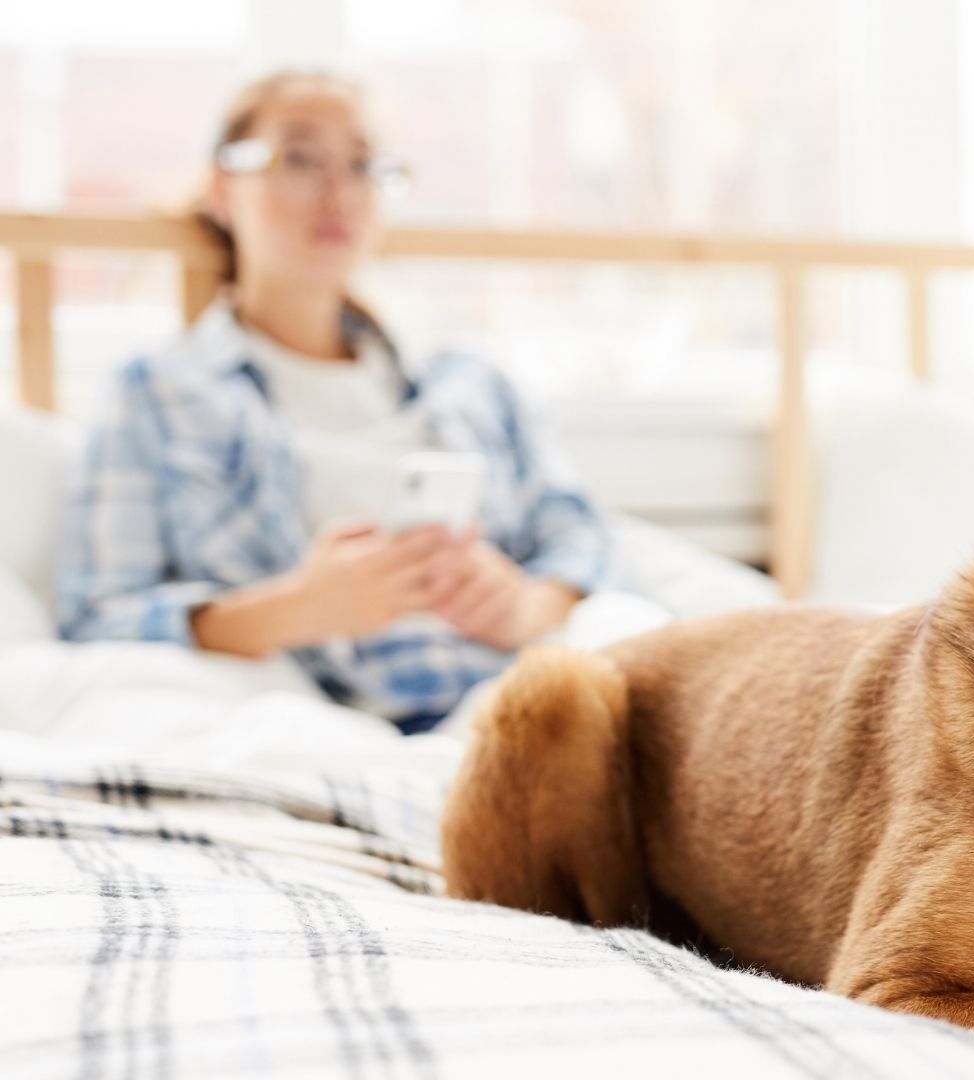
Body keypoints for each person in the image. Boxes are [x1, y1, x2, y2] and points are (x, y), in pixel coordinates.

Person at [55, 71, 614, 733]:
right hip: (306, 728)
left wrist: (527, 606)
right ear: (221, 189)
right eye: (298, 158)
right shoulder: (157, 392)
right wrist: (298, 608)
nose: (339, 192)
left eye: (364, 165)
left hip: (510, 708)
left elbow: (582, 539)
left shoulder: (470, 381)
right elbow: (99, 616)